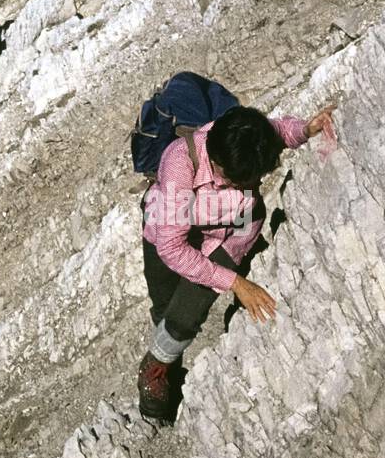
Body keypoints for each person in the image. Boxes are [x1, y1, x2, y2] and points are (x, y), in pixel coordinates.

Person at [138, 102, 335, 420]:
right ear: (215, 163)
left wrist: (305, 129)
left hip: (227, 238)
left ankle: (155, 375)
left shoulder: (247, 134)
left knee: (185, 314)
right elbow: (172, 248)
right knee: (164, 305)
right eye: (235, 181)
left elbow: (280, 131)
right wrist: (237, 283)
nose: (245, 186)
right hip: (165, 233)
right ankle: (169, 362)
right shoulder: (181, 162)